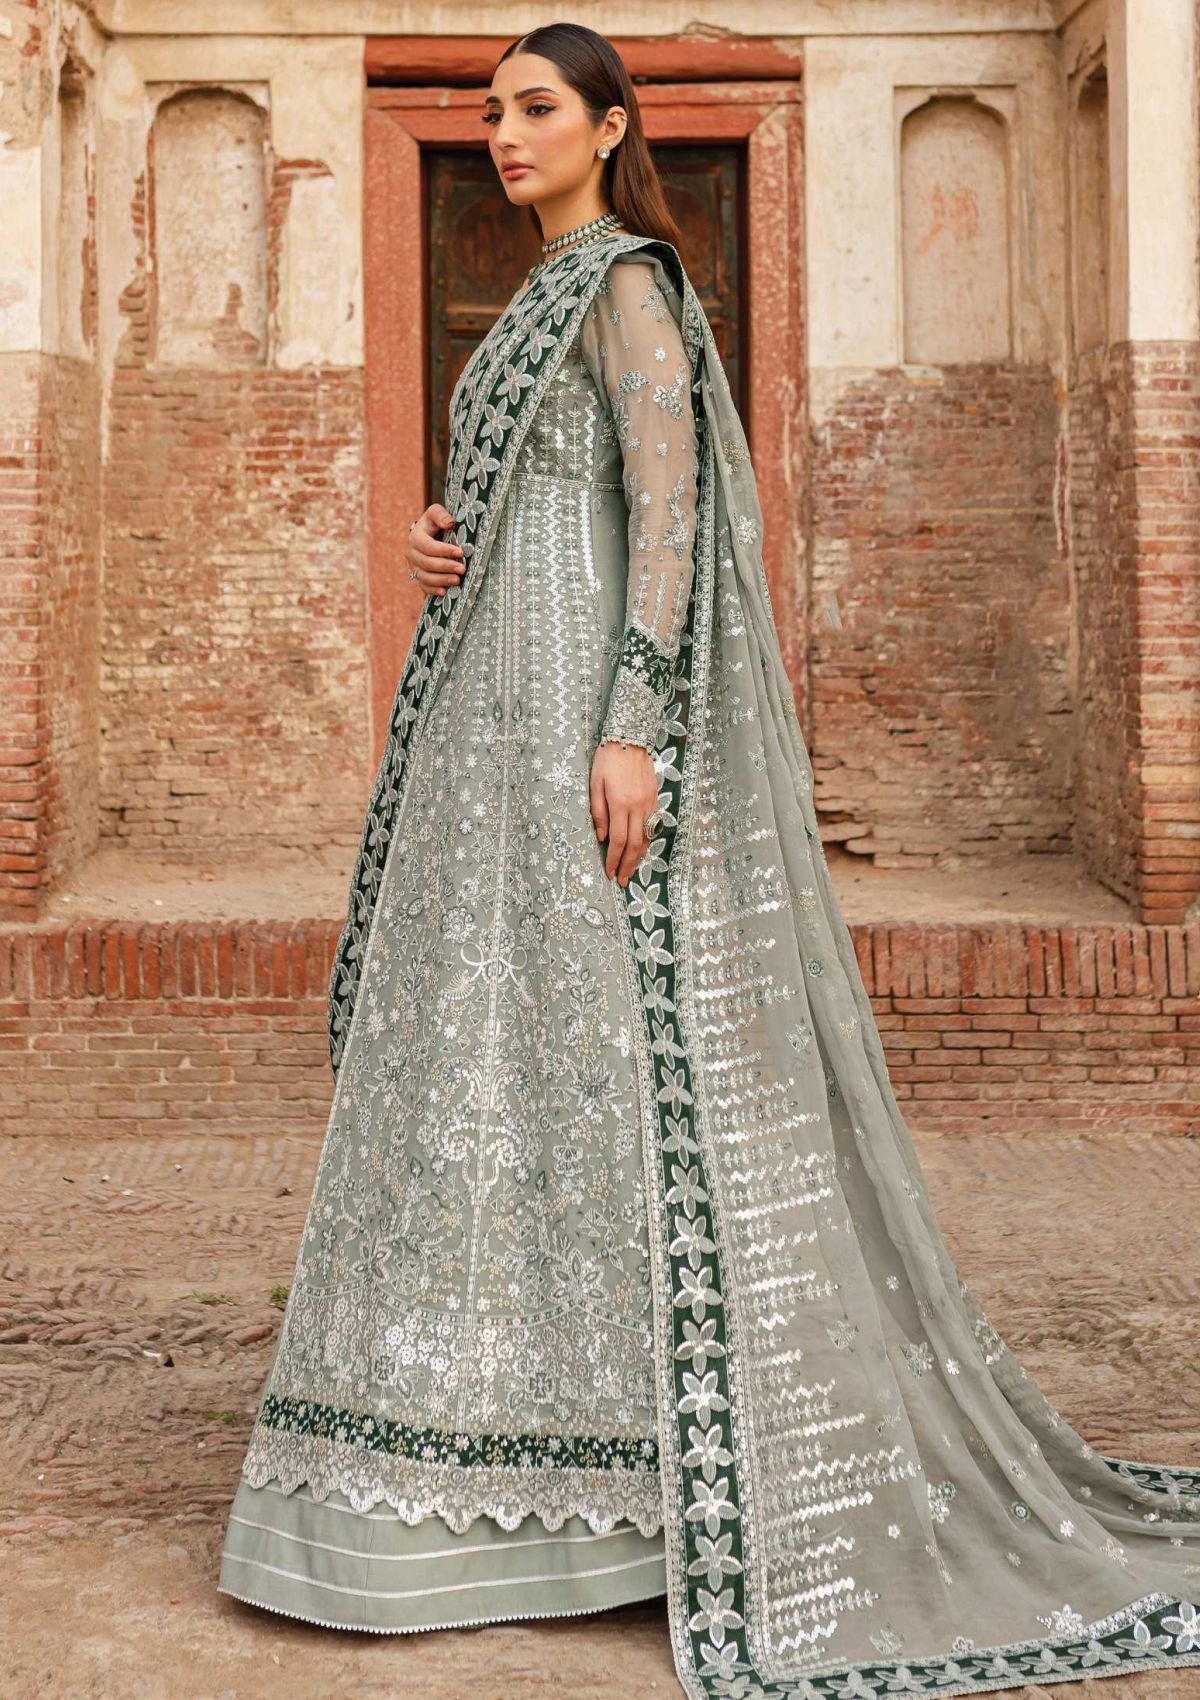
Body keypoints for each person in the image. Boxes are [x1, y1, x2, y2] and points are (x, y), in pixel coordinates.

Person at [217, 22, 1200, 1697]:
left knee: (603, 1063)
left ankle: (643, 1487)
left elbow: (669, 520)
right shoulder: (530, 299)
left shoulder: (629, 287)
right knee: (491, 1062)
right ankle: (461, 1454)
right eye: (491, 110)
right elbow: (533, 498)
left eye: (537, 109)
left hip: (573, 730)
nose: (504, 133)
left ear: (611, 128)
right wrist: (440, 535)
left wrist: (634, 729)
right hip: (483, 734)